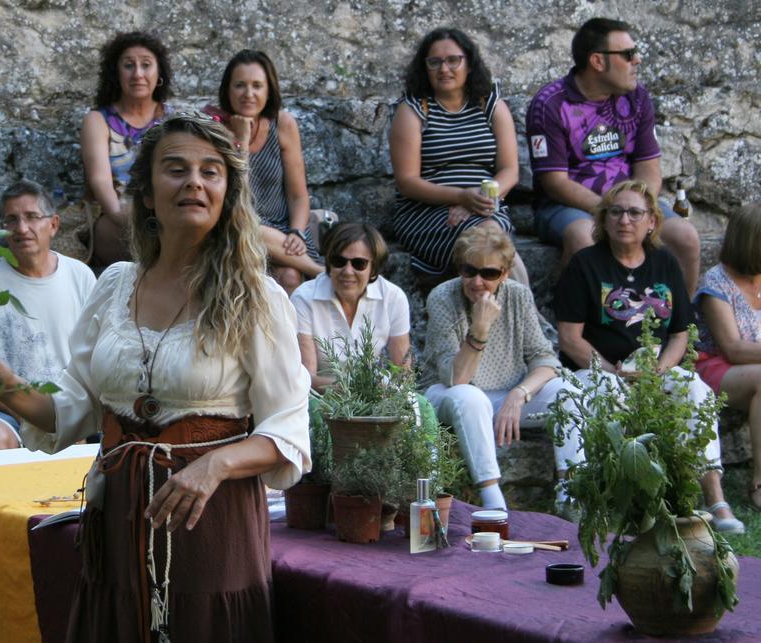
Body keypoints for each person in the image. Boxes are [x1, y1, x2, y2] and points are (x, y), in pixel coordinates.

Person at [0, 112, 310, 641]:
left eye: (211, 171)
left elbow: (288, 433)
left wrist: (215, 465)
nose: (194, 182)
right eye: (176, 169)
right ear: (148, 193)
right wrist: (6, 387)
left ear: (228, 193)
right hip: (117, 512)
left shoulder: (256, 298)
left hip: (208, 518)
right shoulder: (114, 285)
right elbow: (70, 408)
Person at [554, 180, 744, 534]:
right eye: (616, 212)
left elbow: (680, 332)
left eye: (635, 212)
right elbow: (570, 339)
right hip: (600, 369)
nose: (625, 220)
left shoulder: (665, 264)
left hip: (655, 367)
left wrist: (660, 369)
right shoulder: (585, 265)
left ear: (652, 221)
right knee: (571, 398)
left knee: (695, 390)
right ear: (605, 220)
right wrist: (611, 371)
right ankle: (571, 495)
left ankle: (716, 501)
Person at [527, 17, 700, 295]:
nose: (638, 60)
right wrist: (610, 211)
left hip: (631, 200)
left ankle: (681, 328)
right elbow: (555, 182)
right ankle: (582, 328)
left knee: (685, 237)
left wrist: (640, 208)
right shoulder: (551, 103)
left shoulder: (636, 97)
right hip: (567, 206)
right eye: (628, 54)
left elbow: (649, 166)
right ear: (597, 61)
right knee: (585, 237)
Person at [422, 225, 576, 512]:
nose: (478, 281)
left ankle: (571, 494)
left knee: (567, 391)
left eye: (489, 273)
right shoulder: (443, 297)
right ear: (460, 269)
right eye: (469, 271)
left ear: (504, 274)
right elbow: (456, 378)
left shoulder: (517, 296)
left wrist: (519, 394)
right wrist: (480, 329)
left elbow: (545, 359)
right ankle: (494, 501)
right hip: (447, 395)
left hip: (507, 394)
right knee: (470, 397)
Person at [0, 180, 96, 450]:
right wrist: (29, 416)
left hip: (70, 406)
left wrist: (64, 418)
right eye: (11, 220)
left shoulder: (80, 276)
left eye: (32, 217)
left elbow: (98, 357)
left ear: (53, 224)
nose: (22, 228)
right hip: (6, 406)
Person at [389, 28, 528, 284]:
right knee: (488, 239)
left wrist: (476, 201)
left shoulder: (491, 105)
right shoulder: (412, 110)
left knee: (490, 234)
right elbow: (407, 182)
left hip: (485, 206)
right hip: (427, 213)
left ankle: (517, 313)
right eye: (435, 62)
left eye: (453, 60)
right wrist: (461, 196)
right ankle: (526, 315)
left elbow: (510, 170)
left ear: (469, 64)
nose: (444, 69)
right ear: (424, 68)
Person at [211, 49, 322, 292]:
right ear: (227, 90)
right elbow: (234, 195)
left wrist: (297, 232)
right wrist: (241, 139)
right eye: (240, 85)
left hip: (282, 233)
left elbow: (298, 195)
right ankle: (323, 273)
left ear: (268, 90)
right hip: (234, 229)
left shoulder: (283, 124)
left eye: (257, 86)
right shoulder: (214, 128)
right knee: (245, 226)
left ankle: (294, 329)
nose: (248, 94)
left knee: (290, 278)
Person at [79, 31, 171, 268]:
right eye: (129, 65)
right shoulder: (98, 120)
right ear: (116, 73)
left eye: (146, 65)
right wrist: (139, 222)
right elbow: (100, 183)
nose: (138, 74)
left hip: (167, 214)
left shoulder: (173, 119)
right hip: (117, 219)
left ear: (159, 72)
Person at [694, 205, 761, 511]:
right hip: (716, 366)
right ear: (750, 242)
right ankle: (759, 483)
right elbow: (732, 348)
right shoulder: (717, 282)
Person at [291, 222, 410, 390]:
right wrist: (358, 387)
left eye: (359, 263)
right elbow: (306, 379)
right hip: (321, 396)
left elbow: (402, 373)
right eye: (338, 261)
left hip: (375, 392)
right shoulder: (304, 298)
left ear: (374, 268)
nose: (347, 271)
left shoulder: (393, 298)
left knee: (418, 404)